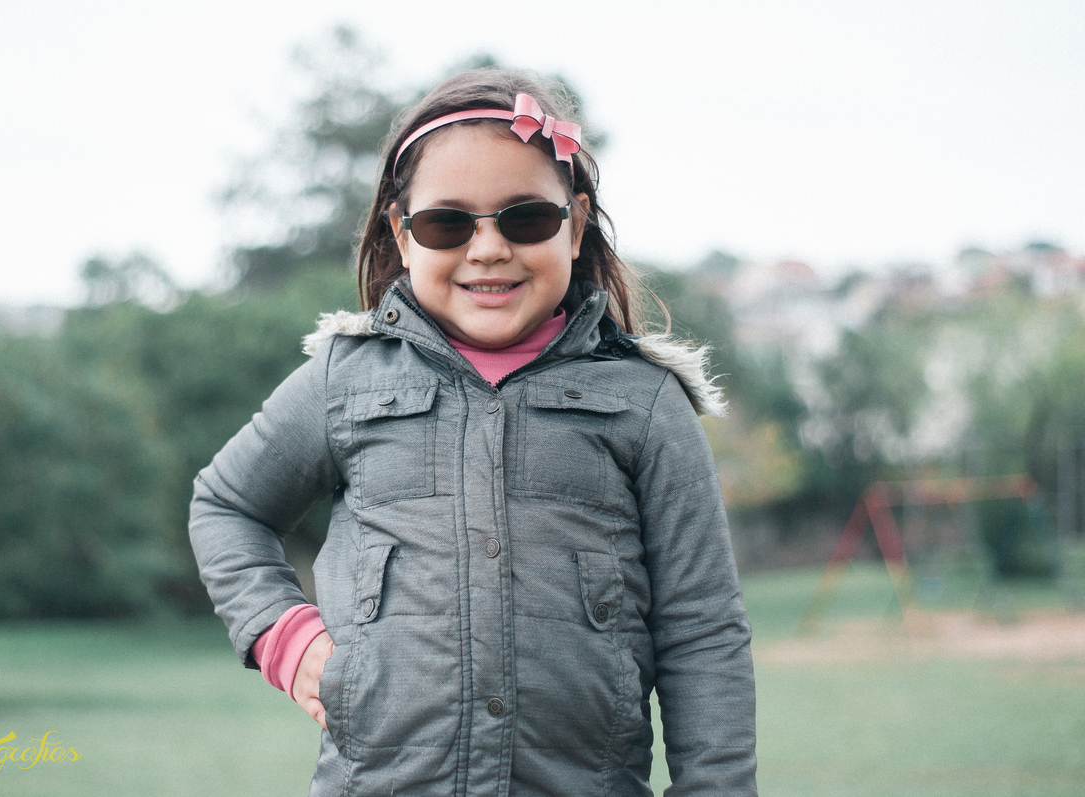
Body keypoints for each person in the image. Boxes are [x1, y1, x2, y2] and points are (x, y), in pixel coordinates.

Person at [189, 68, 757, 796]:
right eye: (447, 223)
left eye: (524, 218)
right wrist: (283, 633)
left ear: (576, 223)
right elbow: (226, 507)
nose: (487, 249)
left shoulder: (645, 404)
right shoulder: (343, 379)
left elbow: (702, 629)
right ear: (403, 232)